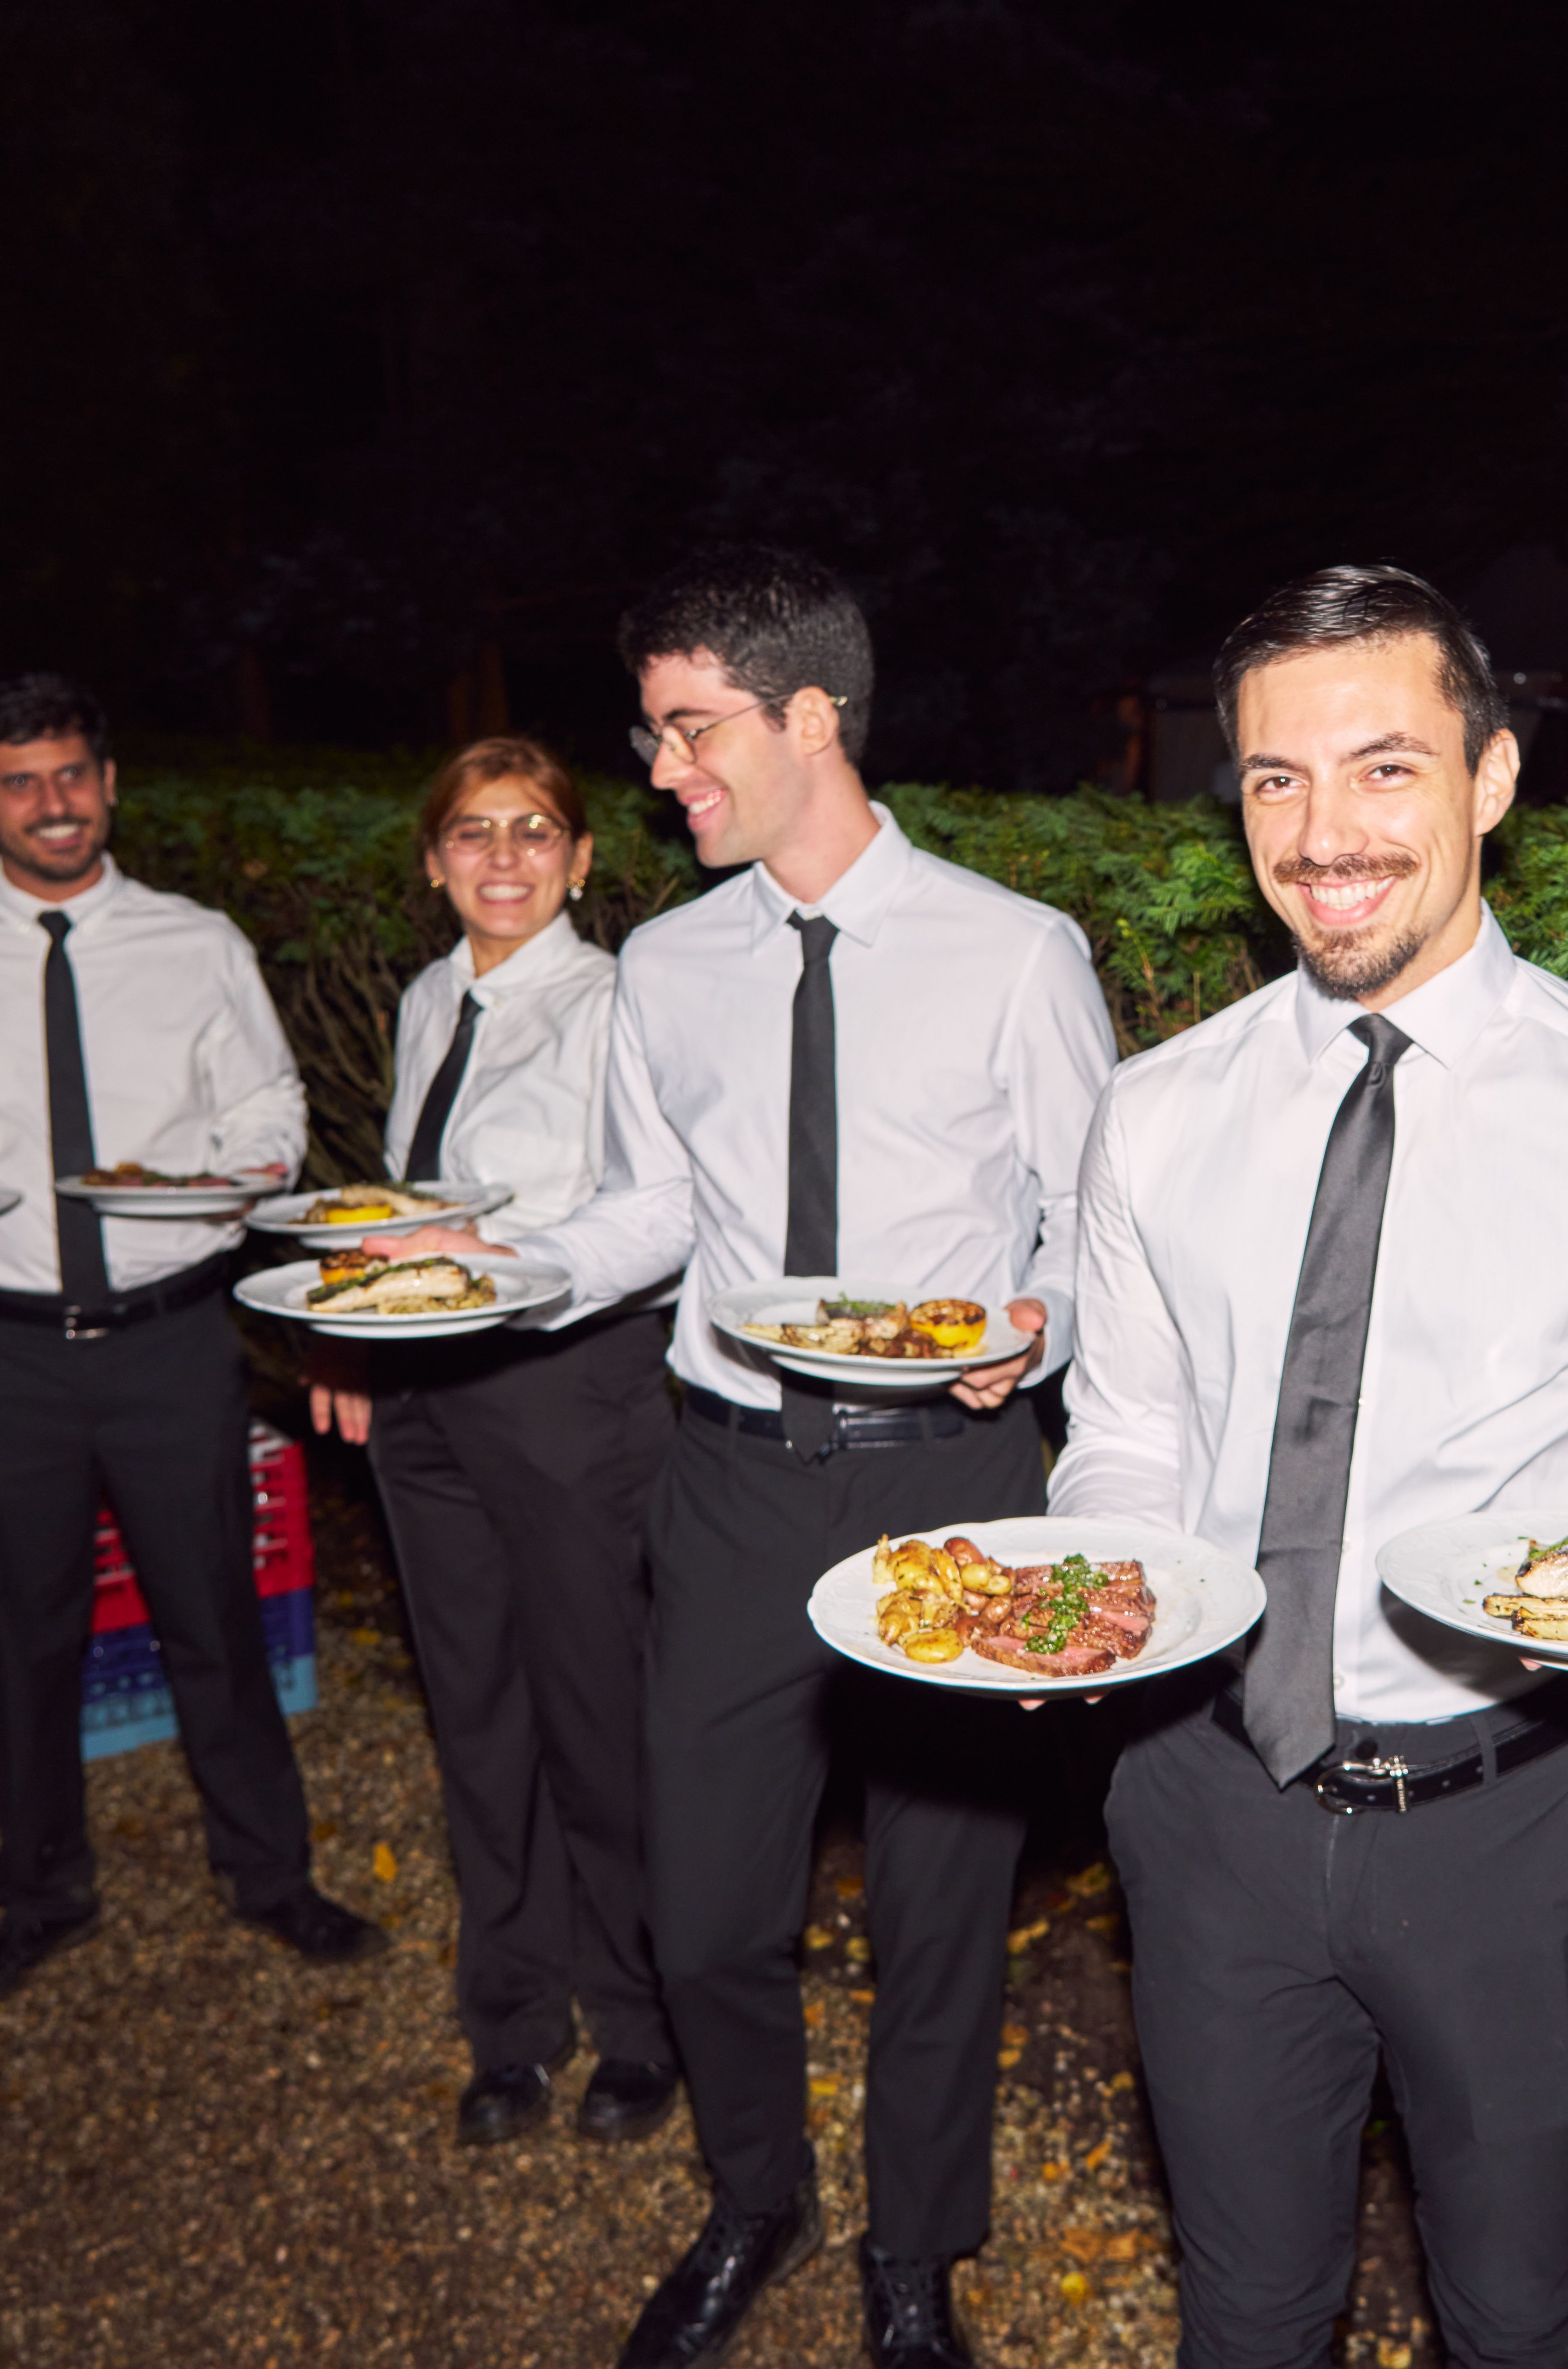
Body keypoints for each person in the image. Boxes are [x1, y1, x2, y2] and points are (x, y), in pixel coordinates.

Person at [378, 549, 1118, 2369]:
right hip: (726, 1480)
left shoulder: (1014, 954)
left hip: (945, 1477)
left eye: (688, 727)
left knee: (941, 1910)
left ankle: (912, 2257)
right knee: (708, 1904)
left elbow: (1101, 1230)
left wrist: (1035, 1326)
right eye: (649, 732)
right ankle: (756, 2192)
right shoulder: (671, 966)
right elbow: (651, 1211)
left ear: (809, 718)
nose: (656, 770)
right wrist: (517, 1268)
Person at [1046, 566, 1568, 2369]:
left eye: (1380, 769)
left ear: (1491, 779)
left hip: (1502, 1822)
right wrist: (1091, 1605)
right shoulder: (1153, 1109)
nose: (1322, 833)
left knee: (1516, 2312)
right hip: (1205, 1799)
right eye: (1274, 781)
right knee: (1249, 2308)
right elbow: (1125, 1433)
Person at [0, 671, 385, 2011]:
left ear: (111, 782)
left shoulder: (196, 942)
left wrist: (241, 1169)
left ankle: (274, 1879)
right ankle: (41, 1889)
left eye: (74, 773)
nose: (55, 803)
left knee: (214, 1618)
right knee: (26, 1634)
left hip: (166, 1337)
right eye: (21, 782)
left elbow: (266, 1101)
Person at [304, 737, 684, 2149]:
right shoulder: (422, 1002)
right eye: (475, 832)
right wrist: (350, 1330)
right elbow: (410, 1212)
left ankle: (641, 2022)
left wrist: (487, 1250)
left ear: (583, 861)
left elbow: (653, 1211)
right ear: (434, 859)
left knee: (597, 1720)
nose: (506, 857)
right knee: (475, 1716)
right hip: (427, 1406)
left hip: (567, 1397)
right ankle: (512, 2020)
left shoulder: (618, 1007)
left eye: (537, 831)